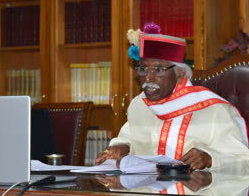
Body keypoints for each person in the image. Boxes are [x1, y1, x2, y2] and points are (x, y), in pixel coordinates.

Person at [95, 22, 249, 170]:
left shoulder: (214, 110)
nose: (148, 78)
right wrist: (123, 147)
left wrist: (210, 159)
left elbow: (243, 162)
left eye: (158, 70)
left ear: (179, 73)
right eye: (143, 69)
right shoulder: (139, 105)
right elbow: (128, 137)